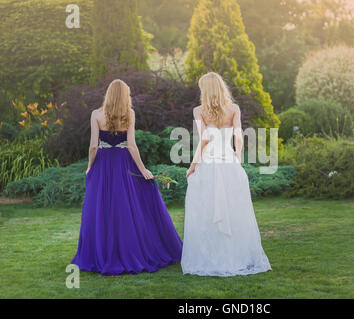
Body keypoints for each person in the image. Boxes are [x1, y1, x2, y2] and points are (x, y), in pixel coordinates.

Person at [72, 79, 182, 276]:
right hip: (123, 163)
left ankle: (104, 252)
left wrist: (90, 167)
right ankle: (129, 249)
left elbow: (93, 146)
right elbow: (131, 145)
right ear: (124, 96)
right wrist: (142, 170)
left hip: (103, 164)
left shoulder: (96, 115)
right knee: (125, 207)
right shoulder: (129, 114)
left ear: (108, 94)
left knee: (102, 208)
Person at [181, 72, 271, 276]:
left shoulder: (199, 111)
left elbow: (203, 140)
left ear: (205, 90)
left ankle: (211, 257)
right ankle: (235, 257)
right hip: (228, 162)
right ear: (221, 88)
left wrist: (193, 165)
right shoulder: (234, 109)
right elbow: (238, 137)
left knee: (207, 210)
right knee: (233, 211)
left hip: (209, 163)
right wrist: (237, 159)